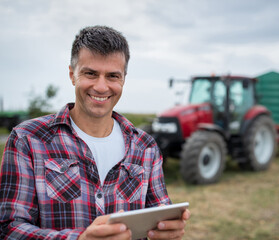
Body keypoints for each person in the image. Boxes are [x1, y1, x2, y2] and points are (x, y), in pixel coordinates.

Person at [0, 25, 190, 240]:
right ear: (72, 75)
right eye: (90, 73)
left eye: (112, 76)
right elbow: (9, 229)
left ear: (123, 79)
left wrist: (167, 231)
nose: (101, 87)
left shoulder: (146, 146)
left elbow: (159, 214)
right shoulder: (28, 139)